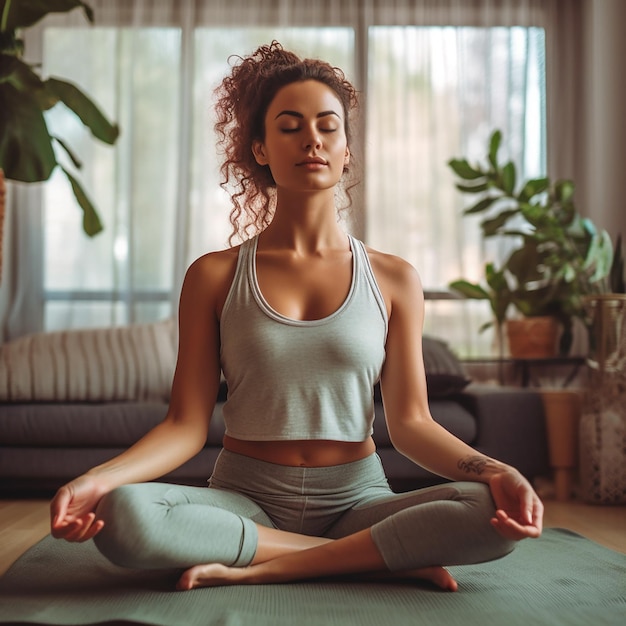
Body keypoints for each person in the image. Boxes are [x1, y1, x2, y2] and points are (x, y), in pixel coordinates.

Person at [50, 41, 543, 592]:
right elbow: (185, 426)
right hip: (244, 500)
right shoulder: (213, 276)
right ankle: (370, 558)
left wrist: (497, 471)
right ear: (259, 148)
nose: (312, 138)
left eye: (328, 126)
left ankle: (274, 565)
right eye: (290, 126)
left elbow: (412, 425)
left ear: (347, 149)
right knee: (124, 517)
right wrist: (97, 479)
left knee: (491, 512)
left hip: (359, 499)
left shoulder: (394, 278)